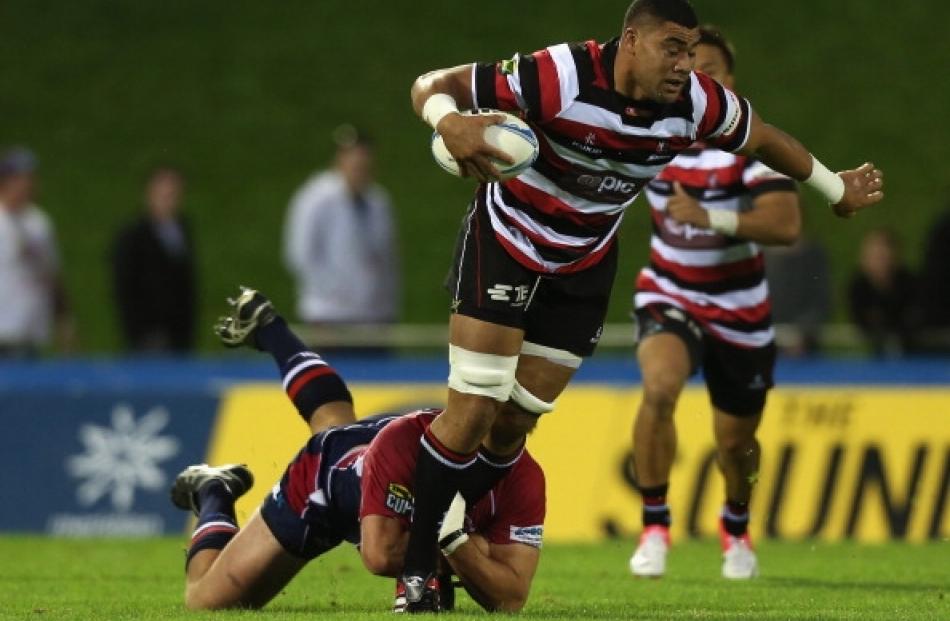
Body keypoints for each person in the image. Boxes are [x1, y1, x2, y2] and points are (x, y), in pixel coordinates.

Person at [402, 0, 883, 608]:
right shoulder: (562, 75)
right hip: (508, 243)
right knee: (473, 412)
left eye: (691, 52)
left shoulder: (697, 104)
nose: (684, 65)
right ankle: (417, 572)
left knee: (517, 421)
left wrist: (835, 188)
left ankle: (454, 536)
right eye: (672, 49)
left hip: (584, 263)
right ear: (631, 41)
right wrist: (447, 121)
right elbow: (431, 85)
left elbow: (764, 139)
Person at [170, 288, 545, 613]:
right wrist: (469, 552)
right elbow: (380, 554)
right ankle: (214, 492)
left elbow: (510, 596)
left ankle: (271, 331)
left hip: (368, 450)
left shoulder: (526, 476)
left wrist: (456, 543)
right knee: (206, 599)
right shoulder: (405, 444)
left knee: (335, 420)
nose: (526, 416)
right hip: (324, 485)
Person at [627, 25, 799, 580]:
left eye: (712, 71)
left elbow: (785, 224)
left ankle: (737, 525)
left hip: (741, 310)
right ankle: (655, 526)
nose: (698, 78)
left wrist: (712, 217)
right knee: (659, 388)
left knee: (736, 445)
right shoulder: (651, 136)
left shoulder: (751, 143)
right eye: (689, 67)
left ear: (730, 82)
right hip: (669, 294)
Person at [283, 125, 399, 331]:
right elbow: (299, 254)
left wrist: (387, 306)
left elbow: (388, 258)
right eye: (352, 155)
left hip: (374, 318)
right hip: (329, 315)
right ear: (339, 159)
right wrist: (336, 294)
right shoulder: (314, 198)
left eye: (363, 155)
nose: (358, 162)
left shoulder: (378, 200)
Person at [112, 166, 196, 352]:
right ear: (149, 195)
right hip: (148, 334)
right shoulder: (133, 235)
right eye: (164, 195)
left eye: (174, 195)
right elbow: (125, 285)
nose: (169, 201)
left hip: (179, 334)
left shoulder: (182, 229)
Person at [0, 147, 74, 356]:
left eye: (30, 178)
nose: (27, 184)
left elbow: (53, 274)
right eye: (20, 178)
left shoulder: (39, 222)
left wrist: (64, 321)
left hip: (29, 334)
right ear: (5, 181)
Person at [847, 228, 918, 356]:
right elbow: (859, 319)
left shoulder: (910, 283)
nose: (878, 262)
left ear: (894, 257)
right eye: (873, 256)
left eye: (882, 256)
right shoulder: (857, 286)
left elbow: (914, 316)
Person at [762, 235, 832, 356]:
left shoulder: (813, 256)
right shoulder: (757, 255)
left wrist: (803, 335)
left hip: (805, 351)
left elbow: (820, 301)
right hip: (765, 346)